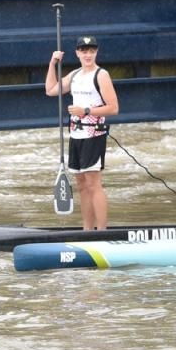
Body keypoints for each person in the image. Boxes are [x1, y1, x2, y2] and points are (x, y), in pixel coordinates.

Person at [45, 35, 119, 228]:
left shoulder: (101, 75)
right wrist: (53, 63)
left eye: (92, 51)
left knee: (94, 184)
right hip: (76, 135)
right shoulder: (75, 75)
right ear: (77, 53)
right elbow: (51, 89)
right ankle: (87, 230)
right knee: (81, 185)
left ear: (96, 52)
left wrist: (86, 111)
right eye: (84, 51)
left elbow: (113, 108)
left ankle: (102, 232)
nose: (88, 54)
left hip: (94, 134)